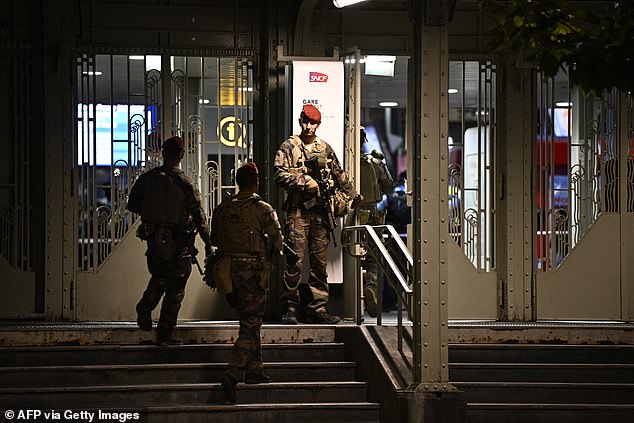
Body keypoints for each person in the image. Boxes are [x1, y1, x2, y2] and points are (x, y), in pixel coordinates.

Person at [274, 104, 358, 325]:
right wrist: (304, 182)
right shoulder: (289, 146)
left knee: (320, 265)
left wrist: (354, 195)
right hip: (298, 213)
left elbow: (339, 175)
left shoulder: (325, 148)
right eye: (305, 121)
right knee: (294, 262)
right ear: (300, 121)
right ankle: (290, 309)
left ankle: (317, 308)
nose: (308, 126)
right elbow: (278, 175)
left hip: (319, 214)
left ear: (318, 124)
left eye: (312, 123)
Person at [209, 162, 283, 404]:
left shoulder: (222, 208)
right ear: (256, 182)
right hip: (252, 272)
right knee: (250, 325)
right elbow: (278, 241)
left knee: (250, 319)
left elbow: (214, 238)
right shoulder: (262, 208)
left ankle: (255, 370)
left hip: (228, 273)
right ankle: (233, 372)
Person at [127, 135, 211, 346]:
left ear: (163, 153)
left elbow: (133, 205)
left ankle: (146, 304)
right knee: (176, 287)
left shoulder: (146, 179)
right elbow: (199, 216)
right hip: (179, 241)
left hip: (154, 239)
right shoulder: (185, 183)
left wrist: (155, 217)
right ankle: (165, 333)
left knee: (159, 275)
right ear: (181, 155)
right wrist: (208, 243)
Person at [358, 127, 393, 318]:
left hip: (349, 216)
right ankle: (370, 284)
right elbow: (388, 185)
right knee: (373, 257)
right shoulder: (375, 162)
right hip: (372, 215)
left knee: (350, 257)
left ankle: (355, 304)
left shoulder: (342, 163)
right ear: (365, 141)